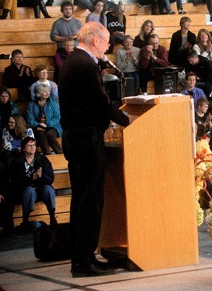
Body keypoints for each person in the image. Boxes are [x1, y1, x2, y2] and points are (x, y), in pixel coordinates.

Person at [59, 22, 132, 277]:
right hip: (86, 138)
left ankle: (81, 258)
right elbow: (102, 104)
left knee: (81, 199)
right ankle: (84, 262)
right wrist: (129, 121)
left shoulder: (75, 61)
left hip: (76, 137)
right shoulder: (84, 64)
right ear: (94, 40)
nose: (109, 46)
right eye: (106, 41)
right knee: (90, 200)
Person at [10, 136, 56, 229]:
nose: (32, 147)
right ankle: (25, 220)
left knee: (48, 189)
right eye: (29, 145)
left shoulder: (42, 159)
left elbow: (50, 179)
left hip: (40, 188)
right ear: (23, 148)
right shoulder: (17, 161)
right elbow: (16, 181)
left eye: (34, 145)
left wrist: (40, 177)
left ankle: (52, 217)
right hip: (24, 190)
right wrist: (32, 179)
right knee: (29, 191)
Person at [27, 84, 62, 156]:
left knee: (49, 134)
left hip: (53, 126)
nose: (47, 93)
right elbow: (30, 120)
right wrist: (38, 125)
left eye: (48, 91)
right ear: (38, 93)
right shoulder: (31, 104)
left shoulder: (53, 103)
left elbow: (57, 117)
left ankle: (60, 154)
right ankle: (47, 155)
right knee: (41, 133)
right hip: (38, 127)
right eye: (44, 91)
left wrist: (47, 124)